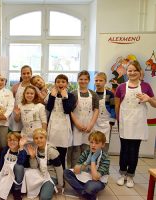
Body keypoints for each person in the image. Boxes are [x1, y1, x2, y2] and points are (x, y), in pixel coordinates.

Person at [115, 60, 156, 188]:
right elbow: (117, 105)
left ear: (140, 72)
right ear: (126, 72)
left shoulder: (146, 86)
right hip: (125, 123)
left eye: (135, 70)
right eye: (129, 70)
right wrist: (118, 120)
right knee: (124, 150)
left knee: (134, 151)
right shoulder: (121, 87)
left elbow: (155, 104)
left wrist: (148, 99)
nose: (132, 73)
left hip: (138, 124)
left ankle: (131, 175)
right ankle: (122, 174)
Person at [64, 131, 110, 200]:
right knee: (66, 173)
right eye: (91, 142)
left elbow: (95, 177)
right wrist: (86, 162)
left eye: (97, 143)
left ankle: (85, 190)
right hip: (87, 176)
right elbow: (76, 170)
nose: (93, 145)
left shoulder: (105, 158)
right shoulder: (86, 152)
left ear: (103, 145)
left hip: (98, 181)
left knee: (90, 187)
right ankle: (87, 194)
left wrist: (93, 160)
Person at [68, 70, 99, 168]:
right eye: (81, 79)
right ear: (77, 80)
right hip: (76, 126)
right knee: (76, 149)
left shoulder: (94, 94)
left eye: (85, 79)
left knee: (87, 148)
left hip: (89, 125)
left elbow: (96, 110)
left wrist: (91, 125)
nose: (83, 81)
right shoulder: (73, 94)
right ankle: (74, 170)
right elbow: (70, 111)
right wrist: (77, 123)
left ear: (89, 80)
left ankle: (84, 170)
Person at [22, 128, 64, 200]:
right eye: (36, 138)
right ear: (34, 140)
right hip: (41, 172)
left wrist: (60, 185)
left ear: (45, 138)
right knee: (27, 173)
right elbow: (34, 167)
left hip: (51, 176)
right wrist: (32, 157)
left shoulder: (51, 151)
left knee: (44, 197)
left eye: (41, 137)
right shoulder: (36, 149)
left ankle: (47, 186)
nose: (39, 140)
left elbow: (59, 169)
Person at [46, 74, 76, 169]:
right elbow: (49, 107)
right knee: (52, 150)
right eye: (58, 82)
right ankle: (53, 172)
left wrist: (64, 97)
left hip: (64, 127)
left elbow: (67, 110)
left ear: (67, 84)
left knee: (62, 152)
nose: (60, 83)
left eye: (63, 82)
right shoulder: (51, 95)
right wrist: (52, 96)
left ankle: (62, 173)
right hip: (53, 125)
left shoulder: (70, 96)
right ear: (55, 84)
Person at [0, 132, 28, 200]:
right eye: (10, 140)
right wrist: (0, 176)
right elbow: (1, 164)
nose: (12, 142)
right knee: (2, 192)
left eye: (14, 140)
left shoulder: (23, 151)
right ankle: (11, 188)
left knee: (18, 167)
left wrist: (21, 147)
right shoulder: (5, 150)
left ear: (19, 141)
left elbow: (21, 162)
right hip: (7, 175)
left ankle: (17, 190)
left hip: (18, 178)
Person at [94, 72, 116, 152]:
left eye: (101, 80)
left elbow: (113, 108)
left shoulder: (110, 94)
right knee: (94, 145)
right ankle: (93, 163)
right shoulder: (92, 94)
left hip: (106, 124)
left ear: (105, 81)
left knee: (104, 146)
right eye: (96, 80)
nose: (98, 82)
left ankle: (103, 163)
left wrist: (111, 123)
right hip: (94, 124)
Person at [9, 65, 32, 132]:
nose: (26, 75)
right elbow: (9, 100)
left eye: (28, 73)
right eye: (24, 73)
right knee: (16, 135)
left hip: (29, 113)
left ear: (31, 74)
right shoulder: (15, 86)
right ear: (21, 75)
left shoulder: (34, 87)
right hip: (16, 113)